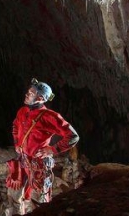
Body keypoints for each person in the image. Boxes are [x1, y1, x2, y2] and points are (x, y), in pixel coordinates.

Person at [6, 78, 79, 206]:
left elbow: (73, 136)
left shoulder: (49, 116)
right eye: (28, 91)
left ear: (40, 98)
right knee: (18, 194)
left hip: (39, 164)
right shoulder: (22, 111)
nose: (27, 94)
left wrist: (52, 149)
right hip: (24, 160)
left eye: (31, 93)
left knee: (39, 200)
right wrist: (17, 143)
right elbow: (15, 127)